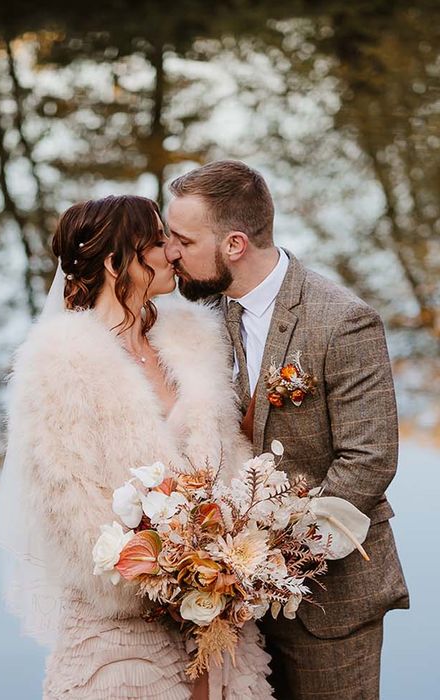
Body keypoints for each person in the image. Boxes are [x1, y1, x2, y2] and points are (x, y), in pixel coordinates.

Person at [0, 194, 273, 699]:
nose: (173, 251)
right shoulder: (58, 364)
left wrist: (228, 561)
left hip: (221, 623)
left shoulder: (196, 339)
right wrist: (166, 577)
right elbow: (67, 503)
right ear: (115, 261)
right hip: (120, 630)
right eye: (157, 241)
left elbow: (233, 457)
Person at [164, 160, 410, 699]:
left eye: (182, 238)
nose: (170, 252)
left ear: (233, 244)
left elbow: (369, 459)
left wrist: (273, 554)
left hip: (331, 598)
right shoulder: (201, 311)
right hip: (227, 600)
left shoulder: (342, 320)